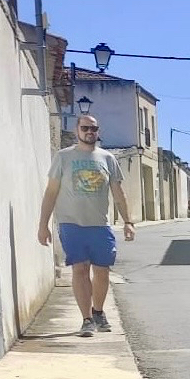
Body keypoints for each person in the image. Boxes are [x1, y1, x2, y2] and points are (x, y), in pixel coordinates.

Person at [37, 114, 135, 337]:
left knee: (102, 272)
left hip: (100, 225)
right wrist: (43, 225)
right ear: (77, 130)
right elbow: (51, 193)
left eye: (93, 128)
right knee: (80, 269)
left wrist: (128, 221)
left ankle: (98, 311)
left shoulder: (108, 158)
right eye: (85, 128)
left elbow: (118, 193)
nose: (89, 132)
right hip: (71, 224)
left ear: (98, 131)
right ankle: (87, 320)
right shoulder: (63, 157)